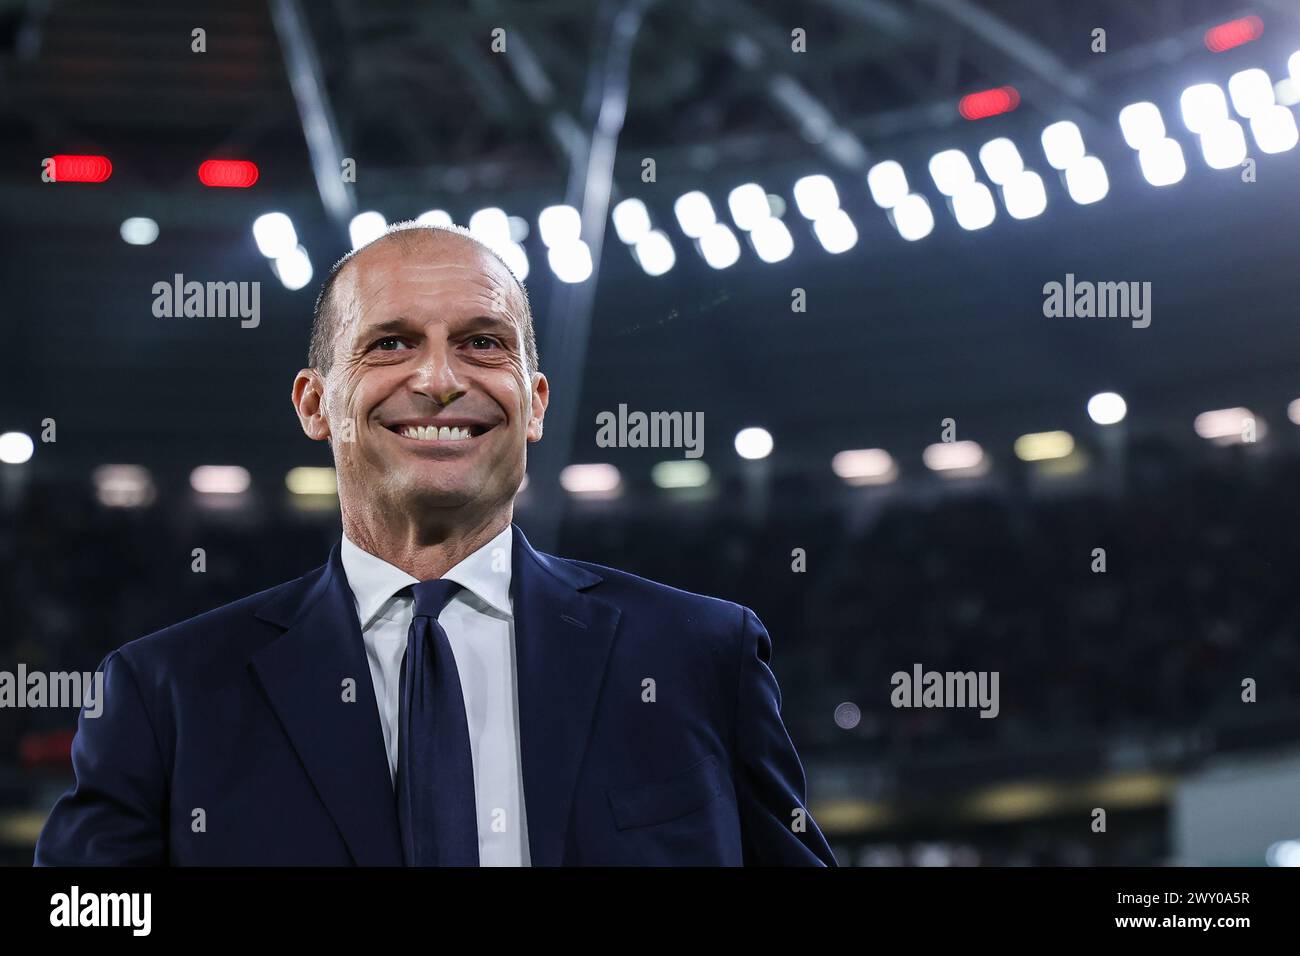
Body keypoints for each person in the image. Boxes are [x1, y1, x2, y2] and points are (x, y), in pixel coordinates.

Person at [34, 223, 835, 866]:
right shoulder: (163, 694)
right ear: (316, 403)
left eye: (484, 343)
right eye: (390, 344)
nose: (441, 379)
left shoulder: (699, 656)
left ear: (535, 403)